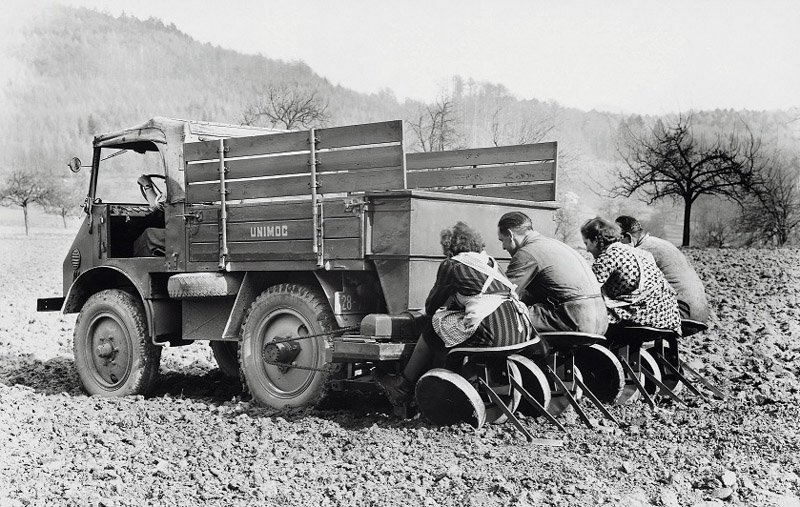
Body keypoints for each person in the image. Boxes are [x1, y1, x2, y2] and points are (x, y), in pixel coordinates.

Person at [375, 222, 537, 406]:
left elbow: (431, 306)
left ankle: (403, 384)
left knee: (433, 328)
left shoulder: (453, 265)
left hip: (492, 333)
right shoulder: (491, 262)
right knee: (452, 327)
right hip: (517, 329)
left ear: (450, 247)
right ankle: (453, 376)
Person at [497, 211, 608, 335]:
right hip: (600, 320)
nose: (503, 247)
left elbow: (502, 294)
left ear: (510, 235)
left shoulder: (526, 253)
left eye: (502, 240)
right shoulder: (555, 244)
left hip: (574, 319)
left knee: (504, 318)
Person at [580, 217, 681, 334]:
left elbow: (586, 290)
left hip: (645, 316)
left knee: (588, 314)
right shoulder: (637, 252)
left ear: (596, 241)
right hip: (667, 316)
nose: (587, 249)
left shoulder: (608, 256)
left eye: (586, 243)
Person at [615, 215, 710, 323]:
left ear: (627, 237)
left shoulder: (641, 251)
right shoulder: (661, 244)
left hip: (680, 313)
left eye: (618, 240)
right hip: (701, 313)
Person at [132, 174, 166, 256]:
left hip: (179, 234)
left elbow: (156, 206)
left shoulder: (177, 193)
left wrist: (147, 185)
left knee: (148, 234)